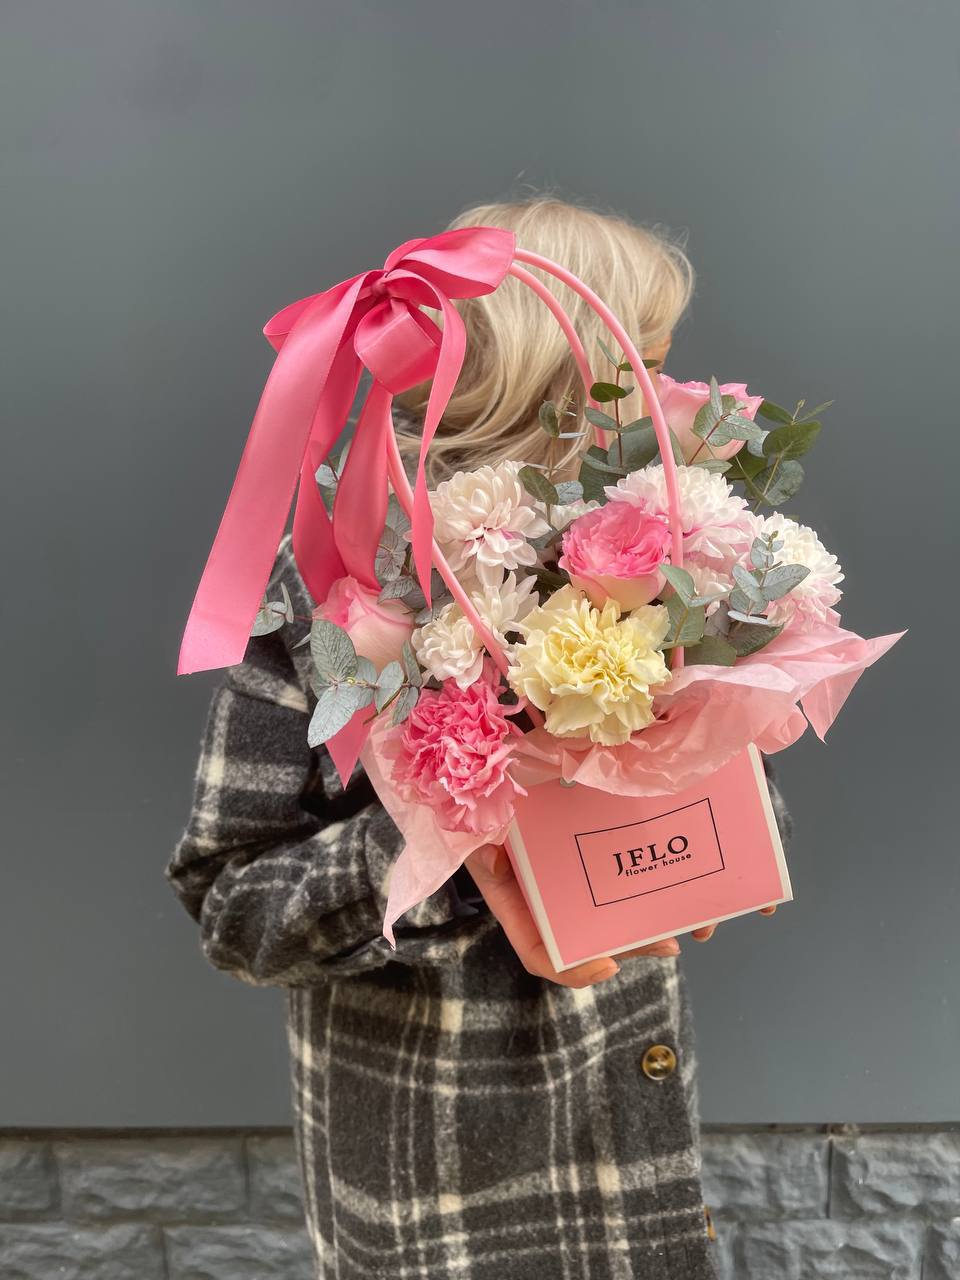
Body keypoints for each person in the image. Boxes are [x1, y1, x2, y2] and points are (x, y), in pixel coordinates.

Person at [166, 196, 793, 1280]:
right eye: (651, 364)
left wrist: (714, 803)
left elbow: (717, 784)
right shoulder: (336, 593)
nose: (678, 397)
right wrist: (455, 836)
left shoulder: (661, 566)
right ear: (561, 381)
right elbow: (236, 910)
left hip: (632, 1170)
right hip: (436, 1209)